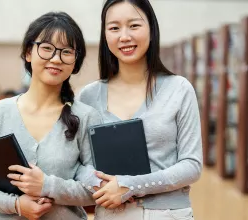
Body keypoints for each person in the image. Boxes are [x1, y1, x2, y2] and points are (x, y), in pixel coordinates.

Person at [0, 12, 103, 219]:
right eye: (47, 48)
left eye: (66, 51)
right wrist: (16, 204)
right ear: (29, 53)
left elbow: (98, 188)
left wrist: (48, 186)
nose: (56, 59)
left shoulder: (86, 117)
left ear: (75, 61)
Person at [77, 0, 202, 219]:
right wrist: (102, 185)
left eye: (134, 25)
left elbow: (191, 165)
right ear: (105, 35)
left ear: (152, 30)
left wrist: (131, 185)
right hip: (111, 213)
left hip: (167, 214)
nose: (124, 36)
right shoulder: (89, 96)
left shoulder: (179, 89)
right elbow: (80, 164)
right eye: (114, 28)